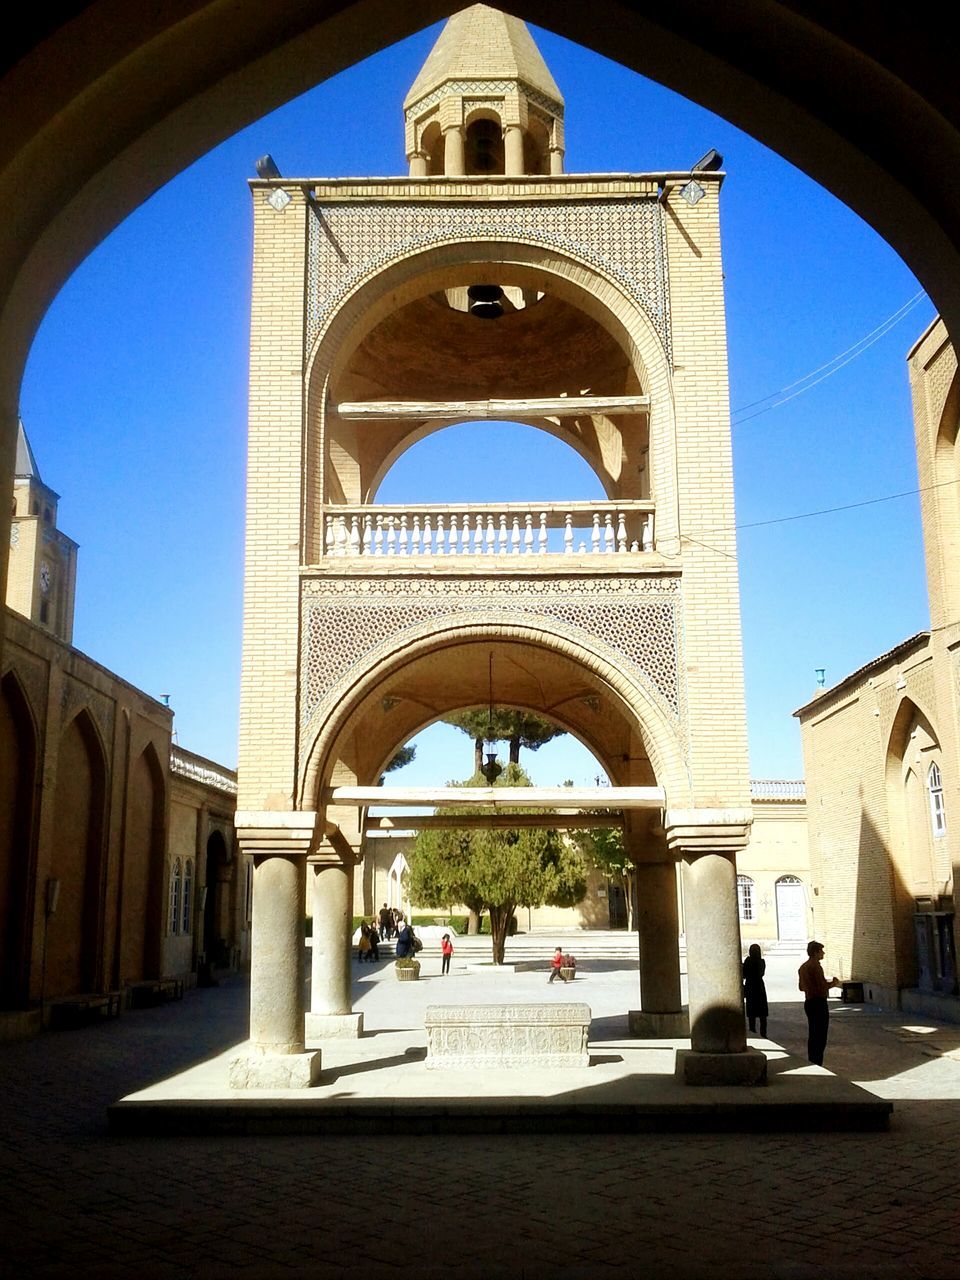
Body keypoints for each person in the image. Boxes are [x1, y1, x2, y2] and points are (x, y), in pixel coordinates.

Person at [798, 940, 842, 1065]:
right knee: (820, 1035)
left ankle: (812, 1059)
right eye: (821, 951)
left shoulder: (803, 967)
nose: (823, 953)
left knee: (813, 1033)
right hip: (818, 1003)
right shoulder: (815, 966)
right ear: (816, 952)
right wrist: (834, 983)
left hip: (809, 1002)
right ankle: (817, 1061)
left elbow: (801, 987)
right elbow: (821, 986)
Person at [742, 943, 768, 1037]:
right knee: (762, 1013)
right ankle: (763, 1033)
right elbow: (762, 973)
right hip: (759, 986)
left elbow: (744, 974)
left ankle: (752, 1029)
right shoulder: (761, 961)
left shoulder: (748, 961)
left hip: (750, 986)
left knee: (751, 1010)